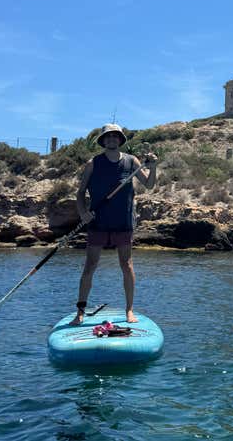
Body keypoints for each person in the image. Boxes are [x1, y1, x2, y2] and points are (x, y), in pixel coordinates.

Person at [69, 123, 158, 326]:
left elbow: (150, 184)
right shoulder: (94, 163)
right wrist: (83, 213)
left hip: (123, 222)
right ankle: (80, 313)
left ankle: (129, 310)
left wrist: (153, 168)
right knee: (90, 266)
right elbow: (80, 192)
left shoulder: (131, 161)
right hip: (98, 222)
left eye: (115, 136)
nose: (111, 139)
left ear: (120, 140)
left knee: (126, 265)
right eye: (108, 137)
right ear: (103, 140)